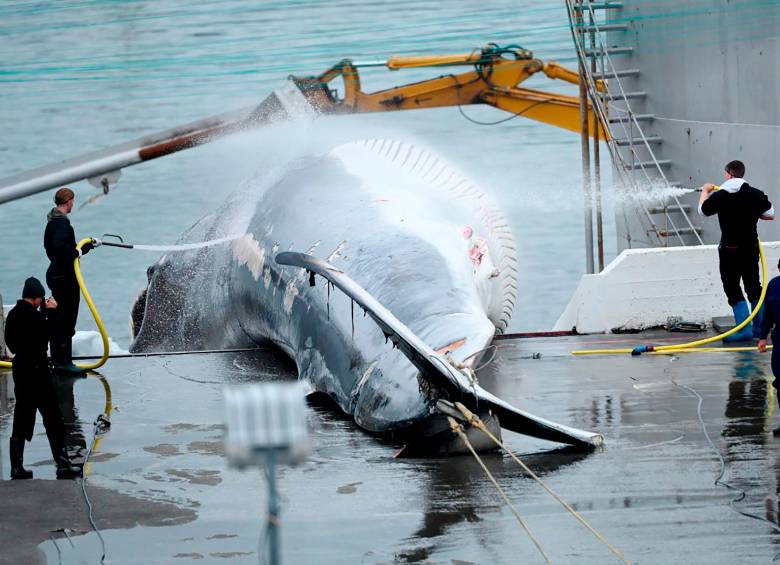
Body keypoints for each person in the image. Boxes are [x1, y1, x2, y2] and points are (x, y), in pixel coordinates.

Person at [6, 277, 81, 479]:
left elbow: (11, 344)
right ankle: (63, 465)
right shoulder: (36, 317)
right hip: (38, 374)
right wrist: (52, 312)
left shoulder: (13, 315)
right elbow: (51, 334)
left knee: (21, 419)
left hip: (20, 372)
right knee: (53, 419)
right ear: (38, 297)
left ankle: (16, 467)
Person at [699, 160, 774, 341]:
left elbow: (703, 210)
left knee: (732, 287)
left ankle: (744, 331)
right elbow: (770, 215)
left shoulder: (720, 195)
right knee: (754, 287)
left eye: (726, 172)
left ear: (730, 173)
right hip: (751, 248)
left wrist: (705, 191)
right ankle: (759, 330)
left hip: (729, 250)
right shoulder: (756, 194)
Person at [44, 187, 93, 374]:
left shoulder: (53, 222)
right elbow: (60, 247)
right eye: (73, 201)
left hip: (58, 274)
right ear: (69, 201)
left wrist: (84, 248)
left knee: (60, 317)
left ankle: (61, 360)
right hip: (64, 277)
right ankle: (63, 363)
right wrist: (76, 252)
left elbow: (63, 247)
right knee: (66, 318)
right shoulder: (60, 224)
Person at [758, 259, 780, 434]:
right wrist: (762, 337)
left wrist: (762, 337)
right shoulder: (774, 286)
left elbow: (767, 314)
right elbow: (767, 313)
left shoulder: (773, 285)